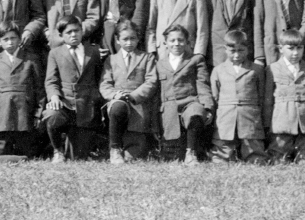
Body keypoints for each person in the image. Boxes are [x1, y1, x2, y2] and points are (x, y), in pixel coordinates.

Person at [44, 15, 105, 162]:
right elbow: (51, 80)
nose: (73, 35)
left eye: (76, 31)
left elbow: (100, 78)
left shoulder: (94, 51)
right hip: (65, 104)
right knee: (52, 115)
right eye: (69, 32)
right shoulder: (55, 53)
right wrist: (54, 97)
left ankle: (77, 149)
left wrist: (96, 98)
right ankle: (57, 150)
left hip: (86, 105)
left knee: (77, 157)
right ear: (61, 35)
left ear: (82, 31)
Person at [0, 21, 45, 158]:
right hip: (2, 112)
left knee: (26, 151)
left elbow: (39, 89)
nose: (10, 42)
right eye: (5, 39)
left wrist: (38, 113)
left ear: (19, 39)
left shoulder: (31, 60)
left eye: (13, 38)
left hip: (25, 110)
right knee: (1, 152)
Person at [100, 20, 158, 164]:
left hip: (138, 104)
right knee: (118, 107)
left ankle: (130, 148)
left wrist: (133, 95)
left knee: (133, 158)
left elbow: (151, 81)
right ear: (117, 40)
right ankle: (114, 148)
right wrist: (115, 95)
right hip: (118, 101)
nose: (129, 43)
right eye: (125, 39)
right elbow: (105, 84)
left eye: (133, 38)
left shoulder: (147, 58)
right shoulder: (111, 59)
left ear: (138, 39)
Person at [209, 30, 270, 165]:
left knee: (253, 145)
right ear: (225, 49)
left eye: (241, 50)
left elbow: (261, 95)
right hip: (226, 114)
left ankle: (253, 157)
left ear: (247, 49)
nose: (236, 55)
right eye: (232, 51)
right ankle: (224, 157)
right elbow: (215, 95)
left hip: (249, 114)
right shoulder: (218, 70)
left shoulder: (256, 69)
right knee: (223, 144)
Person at [155, 24, 213, 165]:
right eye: (172, 40)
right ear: (165, 43)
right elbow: (156, 93)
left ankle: (191, 153)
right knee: (172, 158)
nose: (176, 44)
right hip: (169, 107)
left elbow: (203, 85)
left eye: (180, 40)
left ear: (187, 42)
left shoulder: (196, 60)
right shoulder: (159, 64)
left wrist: (207, 107)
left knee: (195, 113)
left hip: (190, 102)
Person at [266, 29, 305, 164]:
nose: (295, 53)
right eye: (290, 48)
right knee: (278, 160)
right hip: (281, 123)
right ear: (281, 49)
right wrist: (267, 124)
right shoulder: (272, 69)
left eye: (299, 48)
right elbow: (268, 100)